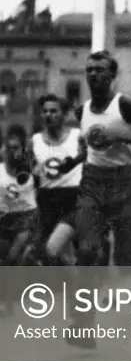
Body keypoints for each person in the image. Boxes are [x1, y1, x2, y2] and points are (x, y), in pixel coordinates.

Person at [66, 51, 131, 347]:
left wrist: (123, 138)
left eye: (100, 70)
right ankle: (83, 325)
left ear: (112, 75)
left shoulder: (125, 104)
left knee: (125, 262)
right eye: (89, 70)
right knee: (87, 250)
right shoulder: (82, 111)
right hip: (93, 182)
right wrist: (71, 164)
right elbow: (91, 147)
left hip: (127, 183)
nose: (93, 75)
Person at [30, 94, 83, 265]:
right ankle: (79, 288)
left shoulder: (77, 137)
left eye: (53, 111)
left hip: (73, 201)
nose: (48, 115)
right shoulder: (35, 141)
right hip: (46, 202)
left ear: (65, 114)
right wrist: (34, 174)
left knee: (54, 248)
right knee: (58, 256)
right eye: (45, 111)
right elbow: (30, 175)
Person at [0, 125, 40, 265]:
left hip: (26, 221)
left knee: (12, 257)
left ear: (24, 150)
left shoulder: (34, 171)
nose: (11, 151)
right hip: (4, 221)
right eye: (8, 147)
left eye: (15, 147)